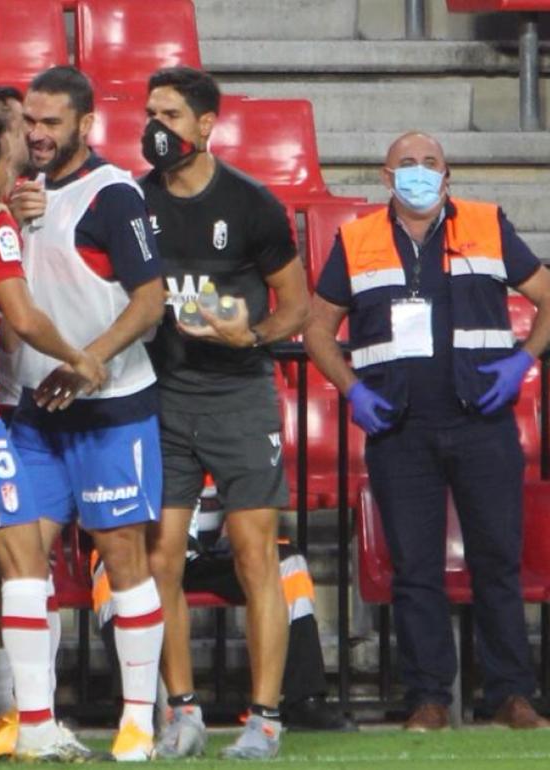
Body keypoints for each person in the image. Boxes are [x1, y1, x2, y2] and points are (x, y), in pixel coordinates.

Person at [304, 131, 550, 732]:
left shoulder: (488, 225)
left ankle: (512, 695)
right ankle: (428, 698)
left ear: (448, 175)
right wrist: (352, 389)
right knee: (416, 569)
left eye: (430, 164)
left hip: (482, 425)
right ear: (385, 178)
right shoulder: (357, 238)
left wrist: (525, 358)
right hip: (399, 429)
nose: (419, 173)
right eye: (406, 164)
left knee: (498, 562)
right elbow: (316, 330)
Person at [136, 66, 311, 761]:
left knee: (253, 555)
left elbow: (295, 305)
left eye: (171, 115)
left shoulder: (252, 204)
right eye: (151, 112)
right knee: (161, 559)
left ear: (207, 126)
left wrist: (254, 336)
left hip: (239, 395)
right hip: (162, 396)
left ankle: (264, 718)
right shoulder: (133, 200)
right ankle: (182, 713)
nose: (157, 127)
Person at [0, 100, 107, 761]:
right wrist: (81, 358)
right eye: (11, 151)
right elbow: (24, 316)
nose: (22, 160)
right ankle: (34, 723)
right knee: (26, 564)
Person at [1, 64, 167, 762]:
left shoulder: (114, 197)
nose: (38, 135)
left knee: (123, 555)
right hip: (30, 411)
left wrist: (89, 359)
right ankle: (36, 721)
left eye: (51, 123)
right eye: (30, 122)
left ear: (85, 125)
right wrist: (6, 213)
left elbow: (151, 300)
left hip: (110, 407)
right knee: (21, 562)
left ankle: (136, 720)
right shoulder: (9, 196)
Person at [92, 481, 357, 733]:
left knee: (290, 566)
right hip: (146, 549)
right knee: (113, 577)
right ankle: (135, 705)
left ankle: (304, 700)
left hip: (216, 550)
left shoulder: (230, 440)